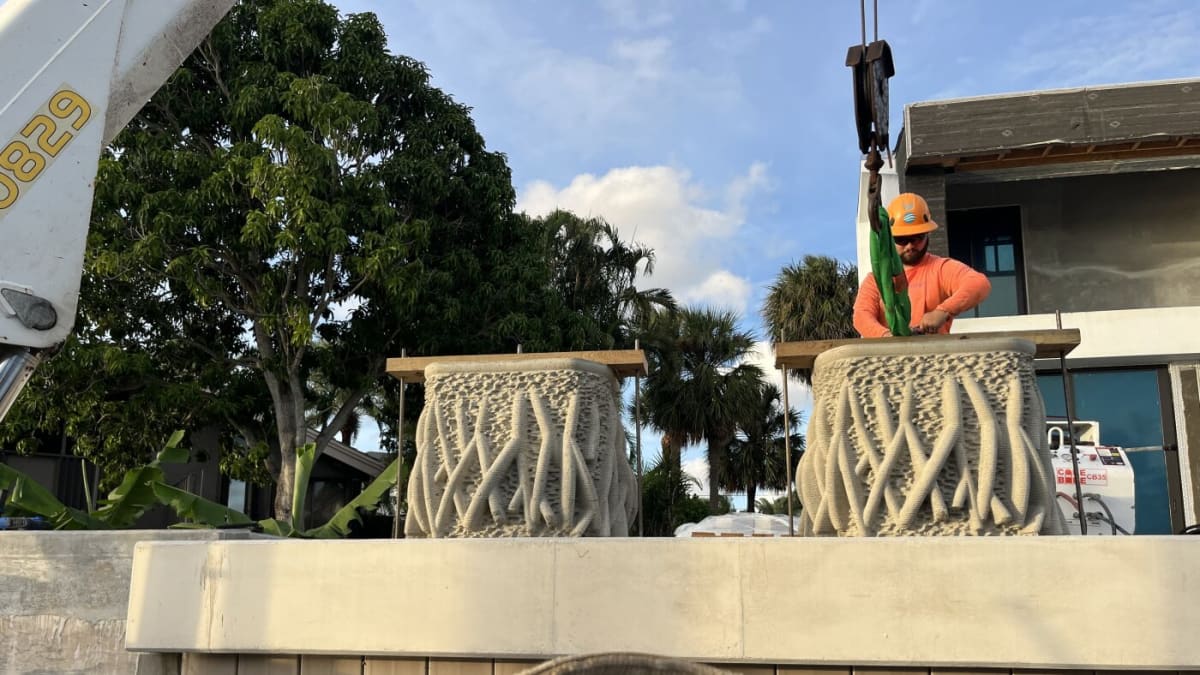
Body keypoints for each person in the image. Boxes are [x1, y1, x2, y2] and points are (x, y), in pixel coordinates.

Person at [853, 193, 991, 337]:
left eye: (917, 238)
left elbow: (979, 284)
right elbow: (861, 315)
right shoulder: (876, 280)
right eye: (901, 239)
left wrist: (943, 311)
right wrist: (886, 337)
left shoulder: (940, 268)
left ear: (927, 235)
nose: (910, 246)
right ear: (890, 239)